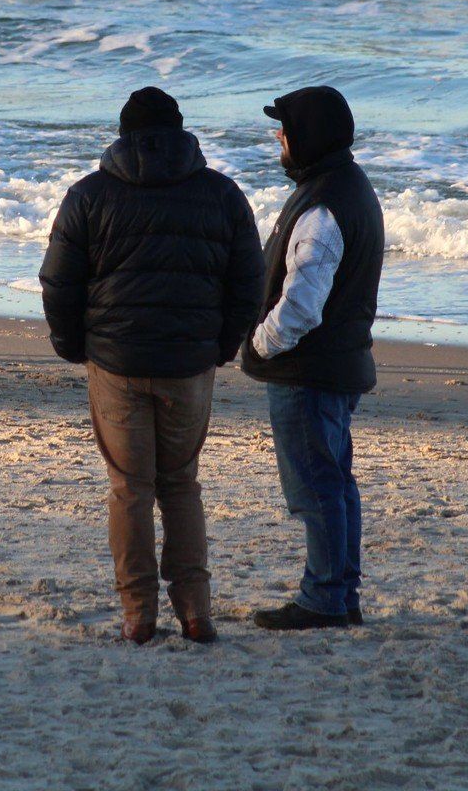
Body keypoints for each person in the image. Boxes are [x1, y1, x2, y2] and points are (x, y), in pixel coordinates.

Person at [39, 87, 264, 645]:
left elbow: (58, 280)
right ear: (181, 133)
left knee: (130, 489)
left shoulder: (89, 195)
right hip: (189, 362)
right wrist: (224, 341)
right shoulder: (221, 193)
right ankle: (195, 612)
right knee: (181, 484)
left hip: (115, 359)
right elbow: (250, 279)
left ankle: (138, 615)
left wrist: (71, 342)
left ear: (123, 137)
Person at [241, 85, 383, 630]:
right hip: (334, 365)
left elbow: (301, 305)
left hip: (309, 370)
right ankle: (340, 593)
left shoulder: (324, 206)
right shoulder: (345, 186)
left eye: (286, 130)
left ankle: (326, 596)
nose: (279, 138)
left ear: (308, 138)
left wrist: (260, 343)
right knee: (335, 482)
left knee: (316, 487)